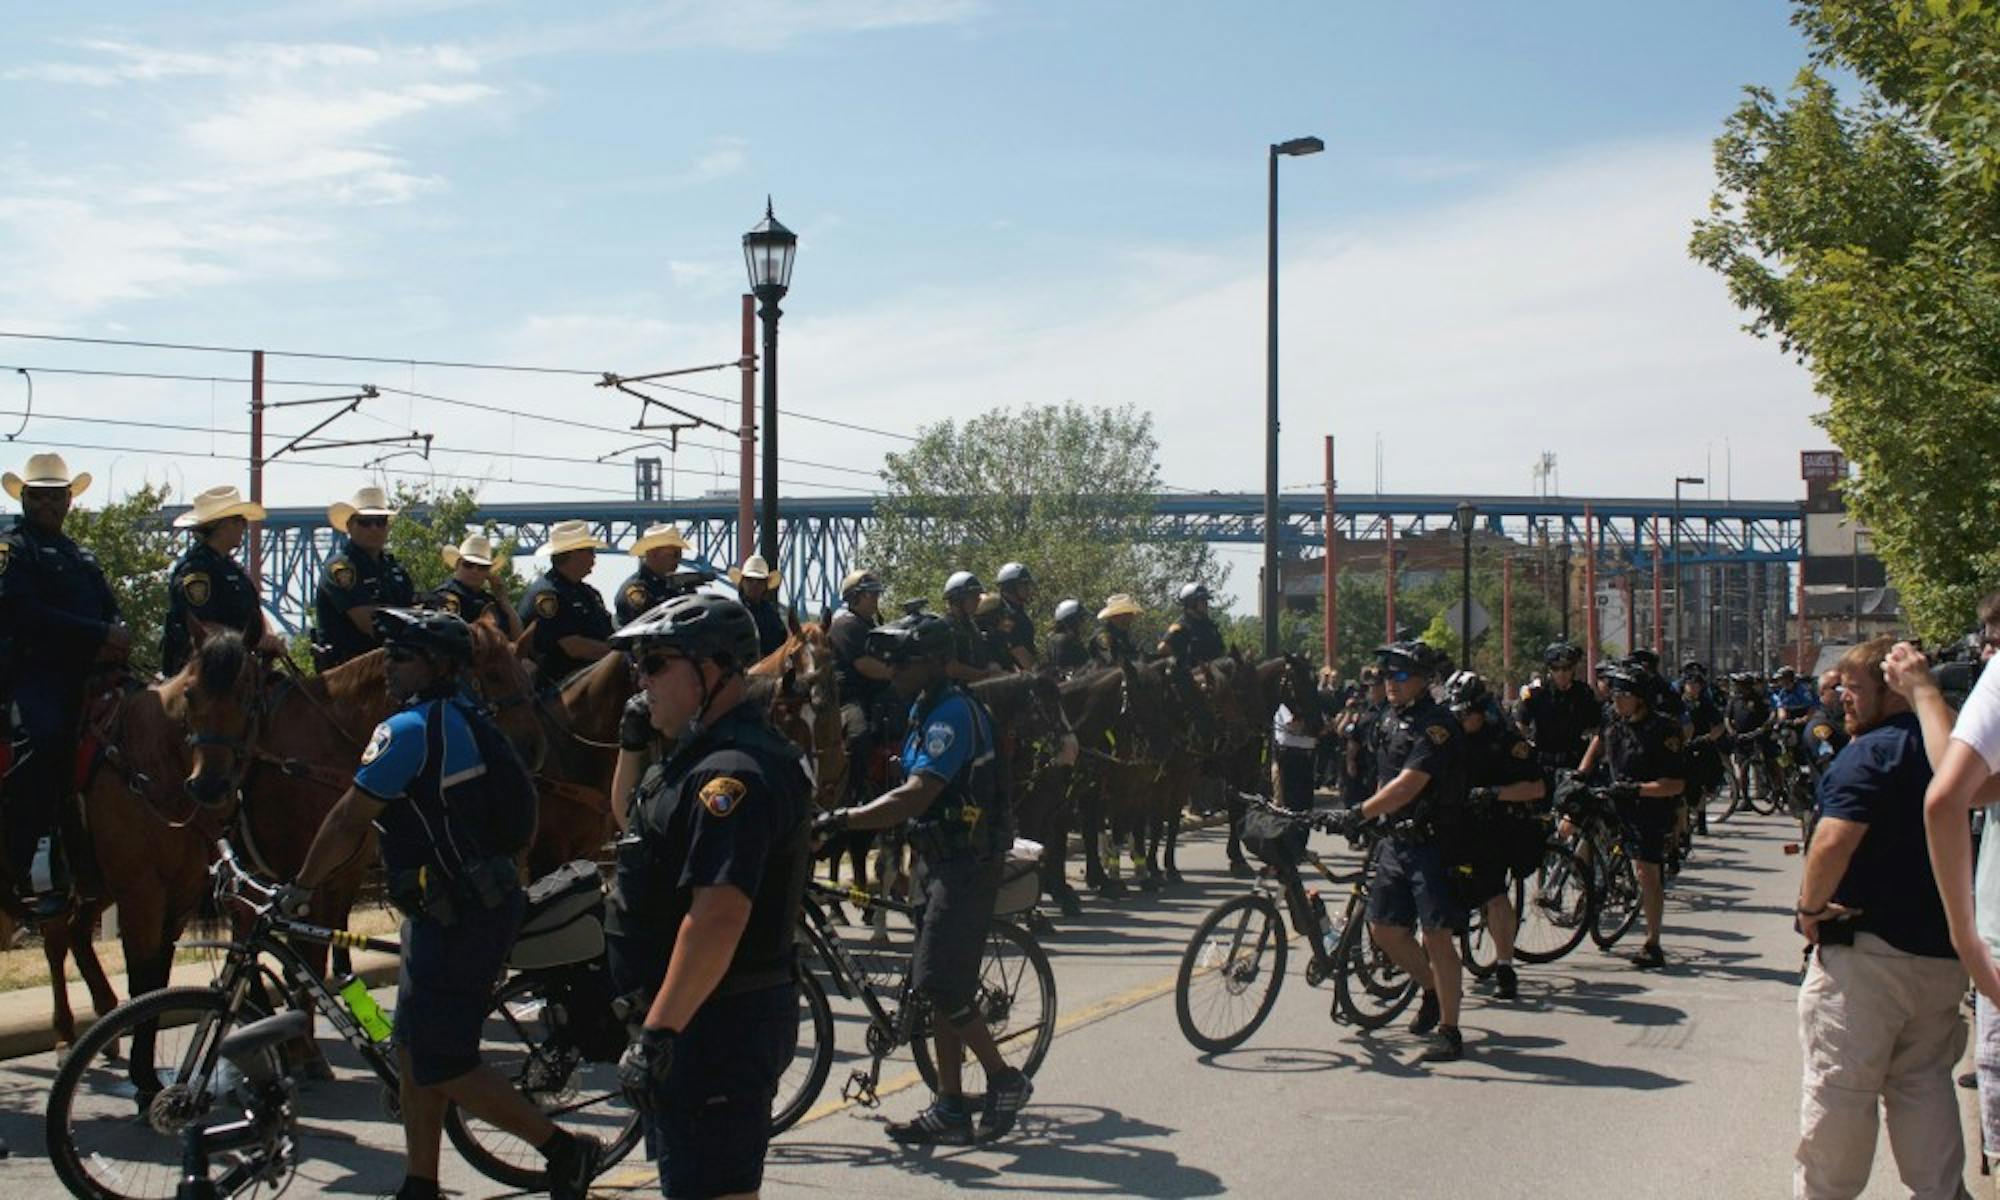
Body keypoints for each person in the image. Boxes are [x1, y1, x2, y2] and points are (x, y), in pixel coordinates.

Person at [277, 609, 600, 1200]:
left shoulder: (409, 731)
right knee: (412, 1047)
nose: (389, 667)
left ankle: (565, 1149)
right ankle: (420, 1182)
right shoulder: (465, 718)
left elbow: (350, 815)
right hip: (451, 903)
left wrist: (300, 886)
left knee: (442, 1060)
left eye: (401, 657)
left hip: (459, 915)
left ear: (438, 666)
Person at [603, 593, 813, 1200]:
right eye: (637, 666)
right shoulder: (690, 761)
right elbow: (630, 825)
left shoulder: (733, 774)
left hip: (717, 1026)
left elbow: (719, 917)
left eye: (656, 663)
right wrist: (631, 742)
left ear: (714, 669)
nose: (642, 680)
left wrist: (659, 1035)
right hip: (691, 1022)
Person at [811, 613, 1034, 1143]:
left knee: (939, 982)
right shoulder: (922, 706)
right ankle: (950, 1106)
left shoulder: (952, 714)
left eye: (902, 661)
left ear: (933, 664)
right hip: (937, 858)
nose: (891, 669)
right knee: (938, 991)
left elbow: (917, 793)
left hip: (966, 864)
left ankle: (1004, 1079)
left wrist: (843, 820)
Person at [1791, 637, 1966, 1198]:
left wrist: (1809, 910)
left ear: (1892, 692)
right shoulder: (1952, 752)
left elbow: (1833, 839)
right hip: (1940, 953)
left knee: (1841, 1094)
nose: (1843, 699)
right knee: (1924, 1086)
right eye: (1839, 687)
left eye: (1854, 688)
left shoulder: (1870, 752)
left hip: (1867, 960)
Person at [1324, 640, 1469, 1062]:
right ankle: (1429, 988)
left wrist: (1359, 813)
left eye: (1401, 675)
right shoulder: (1387, 719)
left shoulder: (1437, 726)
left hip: (1434, 843)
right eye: (1388, 675)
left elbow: (1408, 784)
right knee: (1384, 930)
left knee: (1438, 936)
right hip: (1394, 842)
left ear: (1424, 681)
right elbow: (1380, 776)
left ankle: (1450, 1028)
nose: (1391, 682)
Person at [1, 454, 125, 916]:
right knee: (48, 744)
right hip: (35, 676)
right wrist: (98, 635)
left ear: (71, 500)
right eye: (41, 495)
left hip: (90, 674)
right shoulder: (12, 549)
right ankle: (23, 867)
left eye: (58, 495)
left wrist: (117, 633)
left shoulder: (81, 556)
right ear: (25, 499)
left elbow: (109, 608)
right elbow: (27, 615)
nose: (51, 504)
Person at [1445, 669, 1546, 1002]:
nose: (1461, 720)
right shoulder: (1447, 738)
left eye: (1466, 714)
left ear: (1480, 710)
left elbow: (1536, 787)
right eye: (1456, 714)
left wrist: (1495, 793)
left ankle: (1504, 966)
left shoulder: (1505, 741)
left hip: (1491, 827)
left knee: (1494, 895)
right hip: (1452, 826)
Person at [1598, 663, 1686, 969]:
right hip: (1614, 801)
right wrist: (1581, 775)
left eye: (1622, 695)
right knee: (1577, 829)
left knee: (1647, 874)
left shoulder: (1664, 729)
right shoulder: (1613, 721)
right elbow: (1598, 746)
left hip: (1648, 809)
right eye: (1614, 694)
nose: (1615, 701)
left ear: (1640, 698)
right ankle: (1587, 891)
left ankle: (1653, 941)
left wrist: (1638, 790)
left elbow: (1674, 783)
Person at [161, 485, 286, 676]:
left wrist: (268, 635)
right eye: (240, 520)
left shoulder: (231, 566)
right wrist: (255, 641)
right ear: (222, 525)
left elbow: (254, 612)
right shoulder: (195, 570)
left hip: (238, 666)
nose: (244, 526)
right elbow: (204, 625)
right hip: (205, 673)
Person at [314, 485, 416, 669]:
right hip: (348, 673)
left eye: (381, 522)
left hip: (390, 666)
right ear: (349, 526)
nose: (374, 528)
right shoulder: (341, 568)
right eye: (365, 522)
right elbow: (369, 624)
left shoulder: (395, 568)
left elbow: (411, 610)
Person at [517, 520, 614, 686]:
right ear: (573, 554)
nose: (594, 556)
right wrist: (618, 654)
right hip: (559, 689)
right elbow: (574, 647)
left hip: (593, 682)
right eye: (590, 551)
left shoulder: (589, 593)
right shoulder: (548, 595)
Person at [828, 570, 894, 803]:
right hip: (848, 697)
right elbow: (865, 665)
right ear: (854, 597)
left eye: (877, 593)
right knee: (859, 734)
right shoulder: (846, 625)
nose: (876, 598)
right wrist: (899, 673)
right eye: (870, 594)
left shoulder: (872, 625)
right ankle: (853, 793)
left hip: (876, 695)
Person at [1517, 642, 1598, 771]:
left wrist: (1585, 767)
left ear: (1573, 668)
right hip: (1542, 761)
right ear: (1549, 669)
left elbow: (1596, 731)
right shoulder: (1535, 693)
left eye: (1566, 668)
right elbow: (1521, 728)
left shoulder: (1584, 693)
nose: (1561, 673)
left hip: (1575, 762)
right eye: (1555, 668)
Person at [426, 533, 520, 638]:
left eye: (482, 567)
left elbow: (517, 638)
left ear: (488, 573)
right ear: (457, 565)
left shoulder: (490, 601)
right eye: (468, 565)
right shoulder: (444, 596)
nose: (475, 571)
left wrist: (504, 600)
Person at [616, 524, 696, 628]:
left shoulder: (673, 588)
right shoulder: (636, 589)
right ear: (653, 554)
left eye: (680, 555)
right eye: (674, 554)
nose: (678, 560)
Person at [1723, 671, 1774, 817]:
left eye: (1742, 685)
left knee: (1767, 762)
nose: (1739, 688)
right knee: (1742, 769)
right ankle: (1745, 798)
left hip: (1757, 737)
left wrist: (1763, 728)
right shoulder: (1734, 700)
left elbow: (1770, 714)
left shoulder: (1759, 699)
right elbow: (1727, 717)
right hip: (1740, 739)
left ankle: (1772, 788)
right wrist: (1731, 730)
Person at [941, 571, 1003, 683]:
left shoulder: (971, 625)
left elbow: (983, 655)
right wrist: (986, 675)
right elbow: (953, 669)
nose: (978, 600)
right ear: (958, 600)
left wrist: (993, 665)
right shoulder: (946, 628)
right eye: (973, 596)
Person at [984, 562, 1038, 671]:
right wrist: (1039, 673)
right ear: (1011, 587)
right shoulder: (1005, 616)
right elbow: (1018, 652)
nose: (1028, 588)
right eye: (1024, 584)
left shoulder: (1016, 612)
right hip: (1009, 675)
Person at [1157, 583, 1226, 667]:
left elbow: (1221, 651)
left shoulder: (1210, 626)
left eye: (1206, 600)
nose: (1206, 604)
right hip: (1191, 676)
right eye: (1202, 600)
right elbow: (1162, 648)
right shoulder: (1180, 627)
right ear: (1190, 603)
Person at [733, 554, 789, 656]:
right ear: (742, 583)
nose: (755, 584)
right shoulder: (734, 612)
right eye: (750, 580)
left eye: (760, 581)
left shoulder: (772, 614)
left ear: (765, 586)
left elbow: (782, 643)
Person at [1090, 594, 1144, 667]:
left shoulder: (1124, 634)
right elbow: (1110, 662)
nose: (1131, 618)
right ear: (1116, 616)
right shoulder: (1103, 636)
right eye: (1128, 614)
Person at [1043, 599, 1090, 674]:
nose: (1083, 623)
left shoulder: (1055, 639)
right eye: (1081, 619)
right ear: (1071, 621)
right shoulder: (1063, 641)